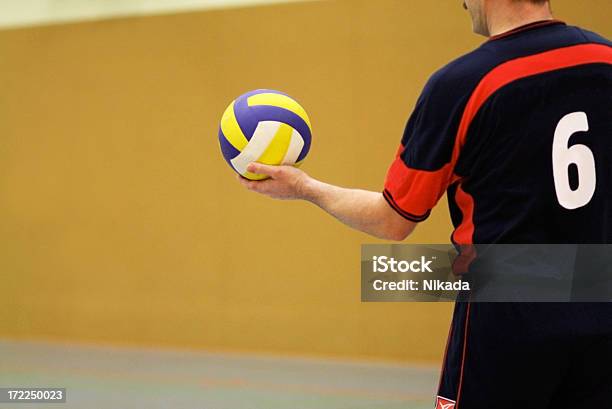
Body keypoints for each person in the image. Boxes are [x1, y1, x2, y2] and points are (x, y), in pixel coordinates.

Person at [239, 0, 612, 407]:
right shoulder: (605, 60)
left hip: (509, 318)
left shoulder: (463, 84)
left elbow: (392, 221)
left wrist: (306, 187)